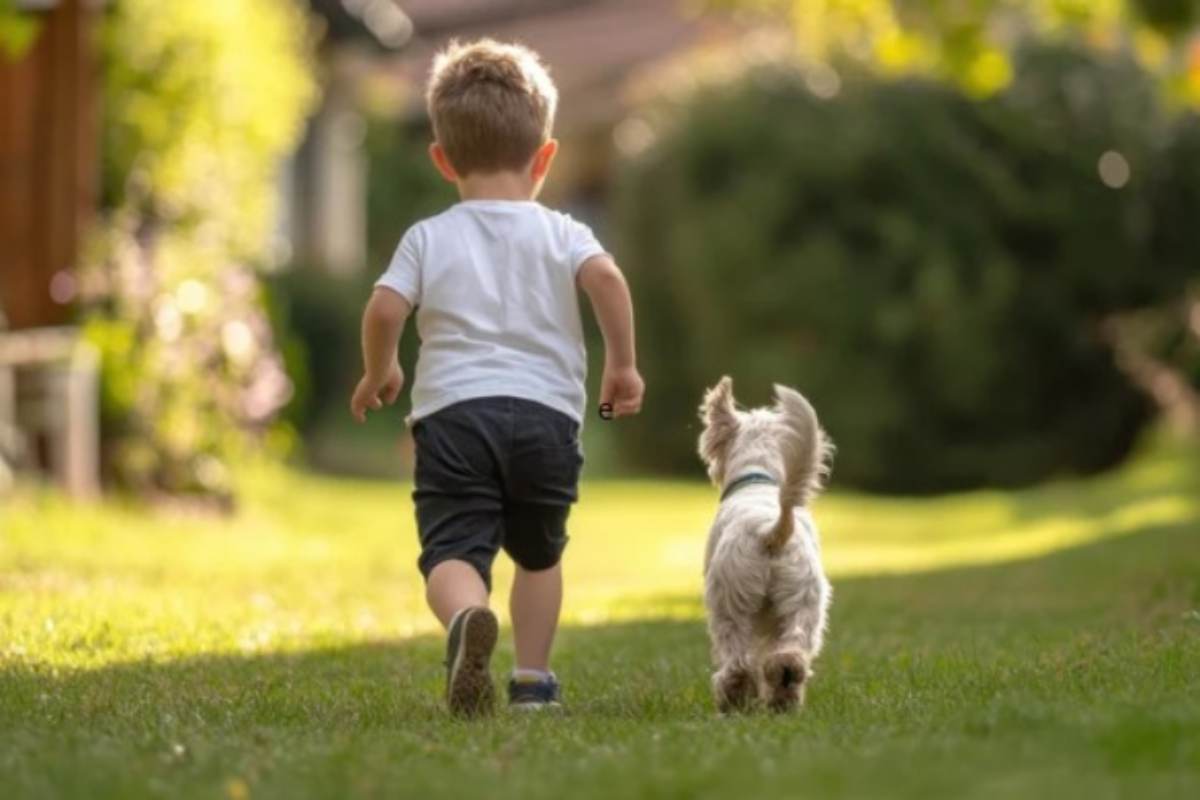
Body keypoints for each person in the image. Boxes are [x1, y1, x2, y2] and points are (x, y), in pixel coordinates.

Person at [350, 39, 644, 716]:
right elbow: (606, 277)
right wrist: (622, 365)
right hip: (547, 419)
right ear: (545, 157)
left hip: (454, 418)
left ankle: (465, 618)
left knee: (452, 548)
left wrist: (381, 370)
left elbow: (385, 306)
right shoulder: (564, 231)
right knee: (539, 557)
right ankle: (534, 681)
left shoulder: (428, 236)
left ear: (443, 158)